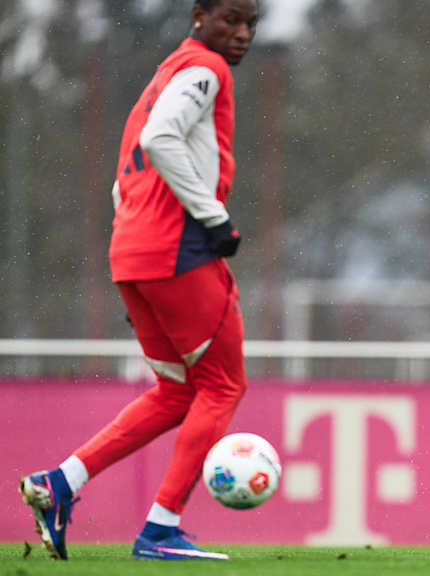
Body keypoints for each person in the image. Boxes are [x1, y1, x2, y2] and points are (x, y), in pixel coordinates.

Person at [18, 0, 259, 561]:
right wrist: (213, 215)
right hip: (179, 249)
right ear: (200, 16)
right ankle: (160, 529)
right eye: (231, 20)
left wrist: (135, 252)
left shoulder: (165, 72)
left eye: (250, 23)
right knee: (223, 386)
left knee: (178, 393)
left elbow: (127, 165)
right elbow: (158, 140)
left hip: (133, 250)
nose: (242, 33)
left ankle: (59, 483)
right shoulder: (205, 68)